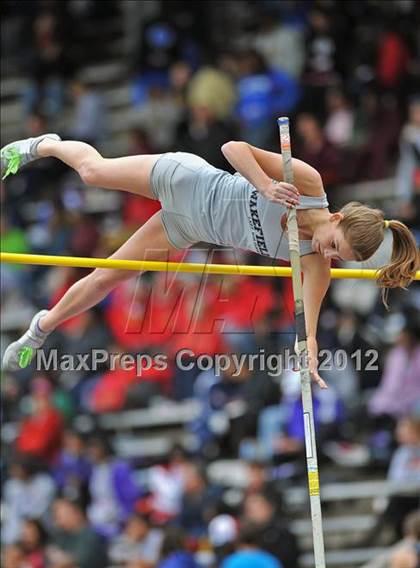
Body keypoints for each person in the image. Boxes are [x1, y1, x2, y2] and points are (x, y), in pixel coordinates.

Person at [1, 134, 419, 385]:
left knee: (108, 277)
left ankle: (40, 328)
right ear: (337, 217)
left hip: (187, 229)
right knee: (93, 173)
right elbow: (232, 147)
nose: (326, 252)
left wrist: (308, 355)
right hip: (188, 182)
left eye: (335, 256)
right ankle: (44, 145)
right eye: (333, 242)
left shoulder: (315, 264)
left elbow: (306, 330)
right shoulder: (307, 183)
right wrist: (267, 186)